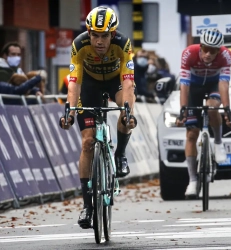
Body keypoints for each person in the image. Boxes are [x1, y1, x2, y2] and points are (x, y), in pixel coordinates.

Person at [58, 6, 137, 229]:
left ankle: (120, 154)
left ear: (112, 34)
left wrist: (128, 112)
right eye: (95, 35)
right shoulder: (79, 45)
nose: (99, 41)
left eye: (104, 36)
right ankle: (87, 206)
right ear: (89, 33)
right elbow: (74, 83)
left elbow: (129, 83)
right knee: (88, 142)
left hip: (116, 82)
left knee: (126, 113)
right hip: (90, 86)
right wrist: (70, 112)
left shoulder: (123, 44)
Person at [176, 29, 231, 198]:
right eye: (206, 49)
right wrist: (183, 109)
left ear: (219, 50)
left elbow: (224, 84)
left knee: (212, 107)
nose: (208, 54)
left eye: (213, 51)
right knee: (191, 134)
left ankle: (218, 142)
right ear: (200, 46)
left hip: (213, 85)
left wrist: (227, 108)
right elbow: (184, 85)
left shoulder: (226, 55)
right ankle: (193, 180)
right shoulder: (189, 53)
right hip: (193, 89)